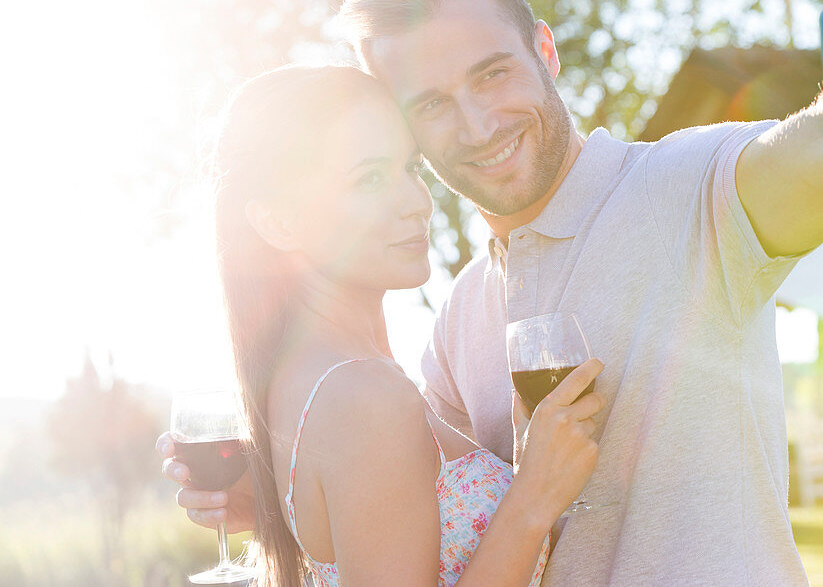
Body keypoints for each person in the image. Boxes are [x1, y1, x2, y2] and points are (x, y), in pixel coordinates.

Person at [165, 0, 823, 585]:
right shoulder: (461, 311)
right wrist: (280, 505)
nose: (475, 123)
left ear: (545, 50)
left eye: (493, 72)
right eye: (432, 104)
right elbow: (419, 519)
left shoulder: (690, 193)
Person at [158, 64, 607, 586]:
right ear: (279, 223)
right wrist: (533, 498)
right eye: (368, 179)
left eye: (411, 168)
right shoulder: (365, 395)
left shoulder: (298, 381)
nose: (417, 203)